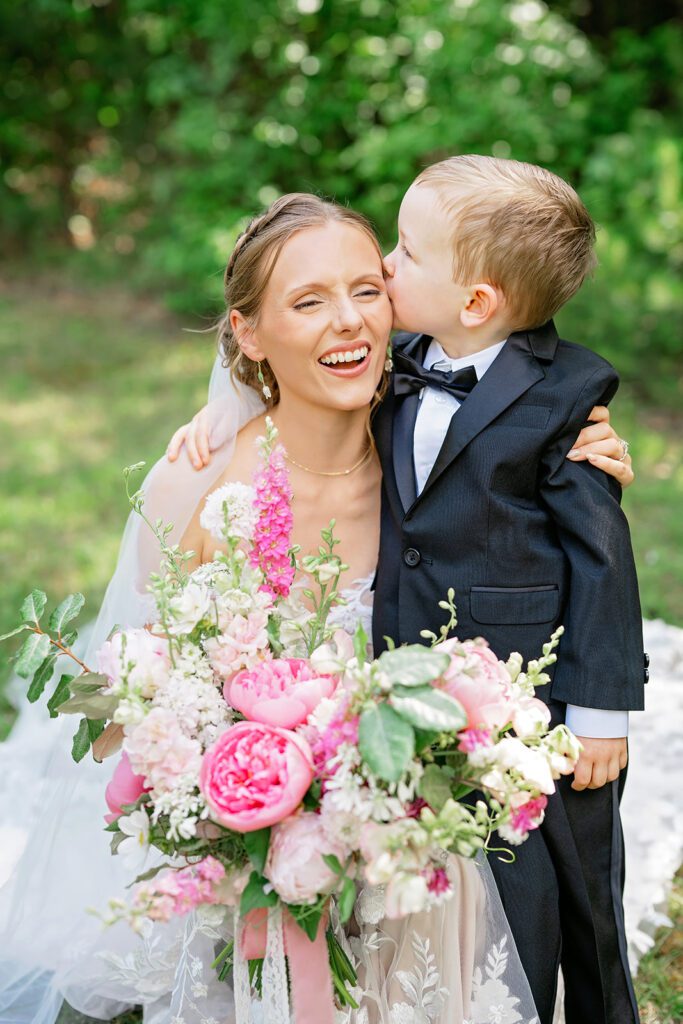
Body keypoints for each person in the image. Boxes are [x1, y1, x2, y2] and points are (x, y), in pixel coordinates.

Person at [171, 160, 642, 1024]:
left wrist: (600, 710)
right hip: (395, 699)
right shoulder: (391, 375)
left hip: (523, 697)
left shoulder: (550, 395)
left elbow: (597, 552)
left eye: (392, 261)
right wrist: (225, 416)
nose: (384, 274)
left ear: (472, 302)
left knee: (572, 894)